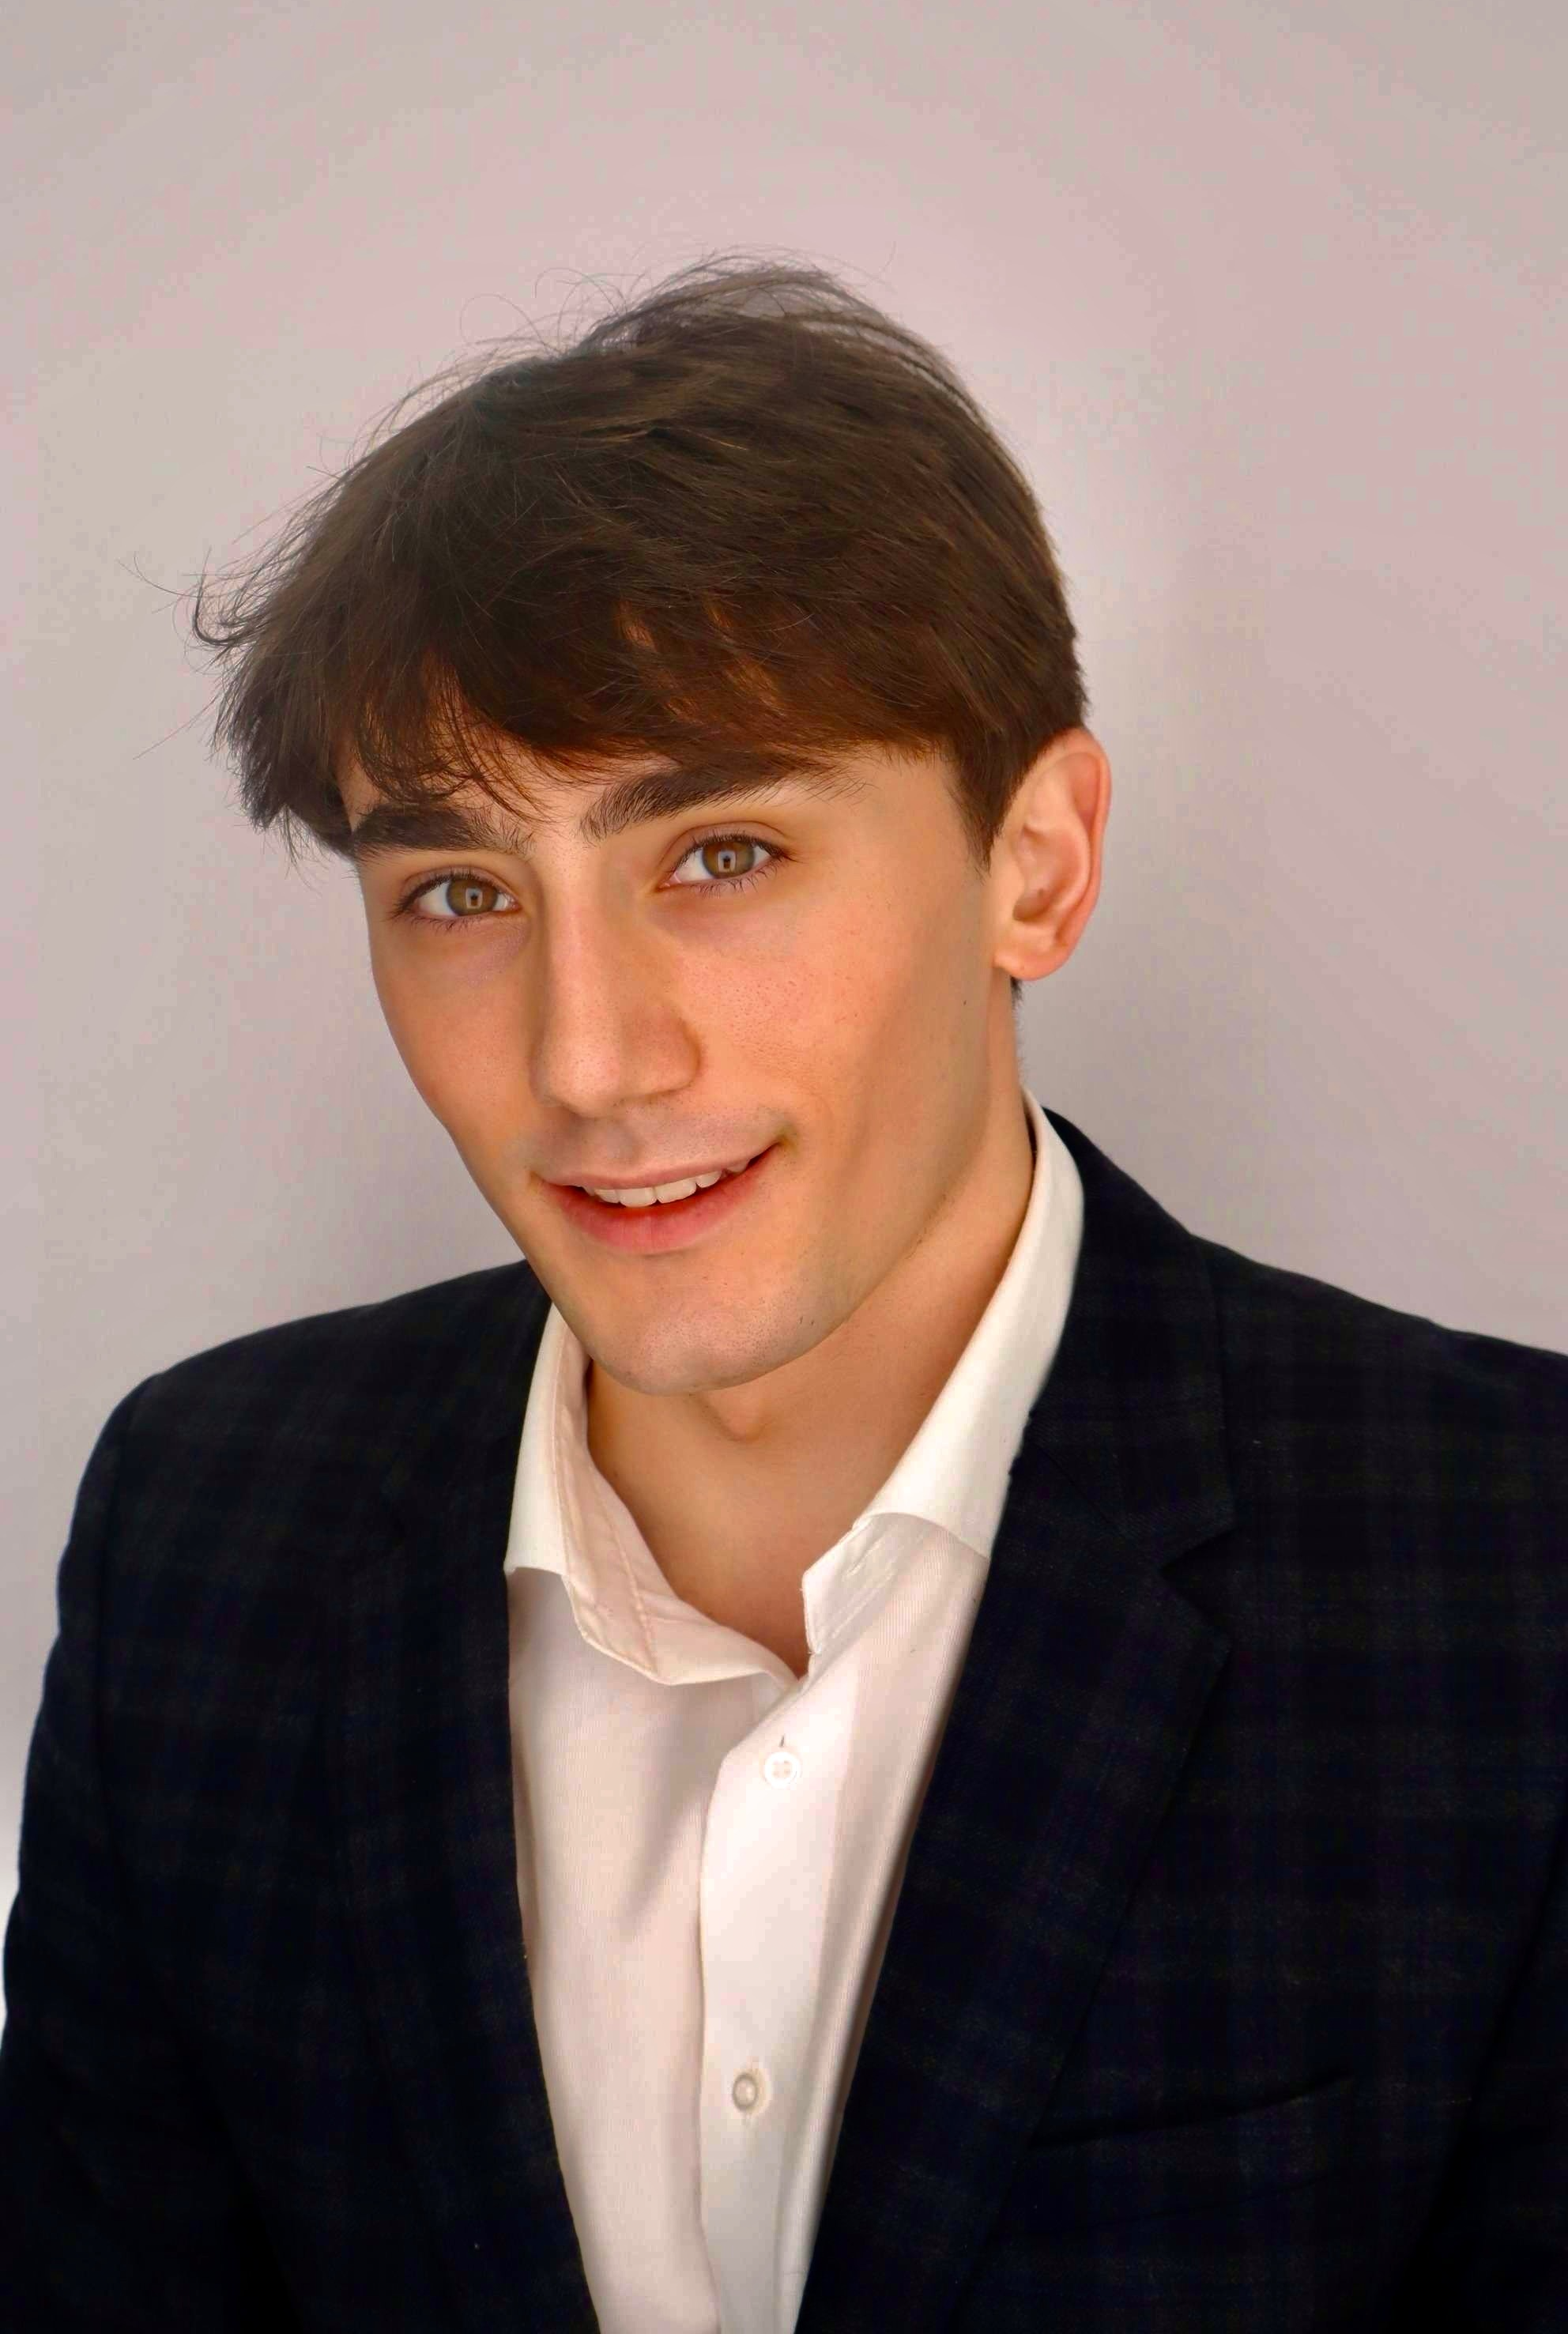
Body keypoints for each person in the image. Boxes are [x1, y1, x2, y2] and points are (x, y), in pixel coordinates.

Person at [2, 255, 1563, 2334]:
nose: (585, 1059)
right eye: (460, 894)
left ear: (1041, 861)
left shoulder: (1515, 1569)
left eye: (718, 856)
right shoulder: (205, 1532)